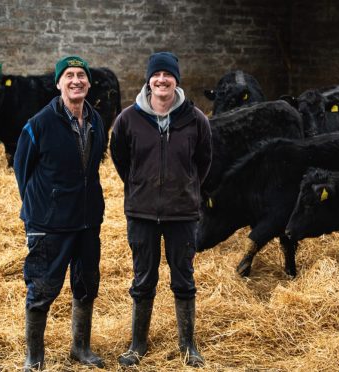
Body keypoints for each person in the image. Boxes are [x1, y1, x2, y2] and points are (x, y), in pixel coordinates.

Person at [110, 51, 212, 368]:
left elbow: (204, 162)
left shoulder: (196, 119)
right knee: (143, 279)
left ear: (176, 80)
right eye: (157, 75)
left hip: (182, 213)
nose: (162, 80)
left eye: (168, 75)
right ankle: (138, 344)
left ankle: (188, 344)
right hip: (141, 214)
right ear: (149, 80)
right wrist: (141, 185)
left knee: (184, 278)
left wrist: (185, 186)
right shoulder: (128, 119)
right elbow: (120, 159)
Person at [13, 55, 107, 371]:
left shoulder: (96, 119)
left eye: (81, 75)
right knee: (41, 286)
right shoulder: (38, 124)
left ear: (89, 83)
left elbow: (94, 166)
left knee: (86, 282)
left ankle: (80, 348)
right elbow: (22, 170)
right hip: (49, 223)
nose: (76, 80)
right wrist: (42, 206)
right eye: (69, 75)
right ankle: (35, 357)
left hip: (87, 220)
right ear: (58, 83)